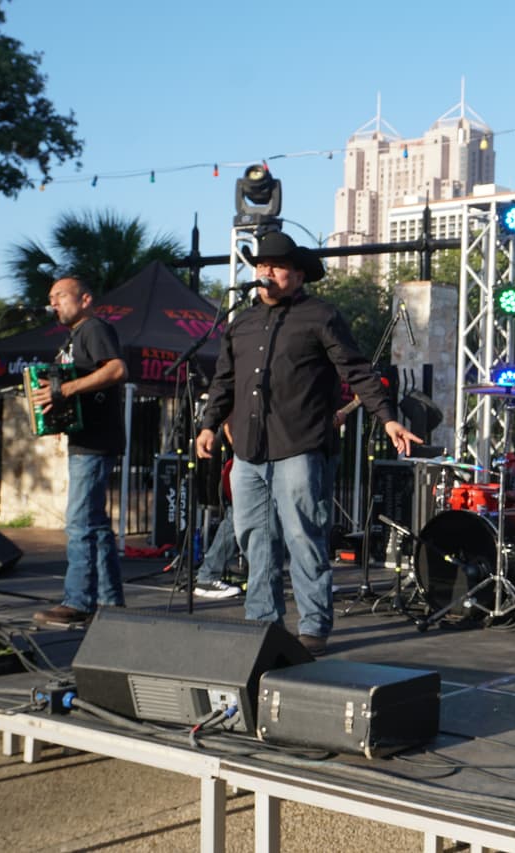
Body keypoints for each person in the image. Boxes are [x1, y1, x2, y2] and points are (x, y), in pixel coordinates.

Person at [196, 231, 420, 655]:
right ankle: (263, 622)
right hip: (248, 449)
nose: (266, 272)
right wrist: (209, 425)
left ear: (298, 275)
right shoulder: (240, 323)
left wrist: (387, 419)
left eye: (277, 266)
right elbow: (224, 381)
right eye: (261, 265)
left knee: (303, 538)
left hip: (299, 444)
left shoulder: (320, 316)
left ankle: (314, 624)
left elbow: (356, 371)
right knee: (253, 540)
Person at [33, 277, 129, 628]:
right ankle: (109, 602)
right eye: (50, 298)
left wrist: (67, 390)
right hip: (85, 439)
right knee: (96, 525)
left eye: (59, 296)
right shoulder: (74, 337)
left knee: (79, 523)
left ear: (85, 299)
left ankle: (78, 601)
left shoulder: (94, 328)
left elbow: (117, 369)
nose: (53, 304)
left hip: (96, 441)